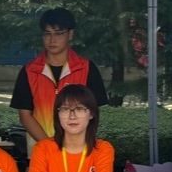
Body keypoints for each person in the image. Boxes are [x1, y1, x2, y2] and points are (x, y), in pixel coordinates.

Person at [11, 8, 109, 146]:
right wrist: (50, 147)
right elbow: (25, 115)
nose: (52, 40)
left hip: (78, 148)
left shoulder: (86, 68)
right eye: (47, 34)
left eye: (58, 33)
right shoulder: (29, 71)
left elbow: (94, 112)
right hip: (40, 149)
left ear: (70, 34)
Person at [25, 84, 114, 172]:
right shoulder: (43, 147)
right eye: (65, 109)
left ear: (91, 114)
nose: (72, 116)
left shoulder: (103, 148)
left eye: (79, 109)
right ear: (58, 114)